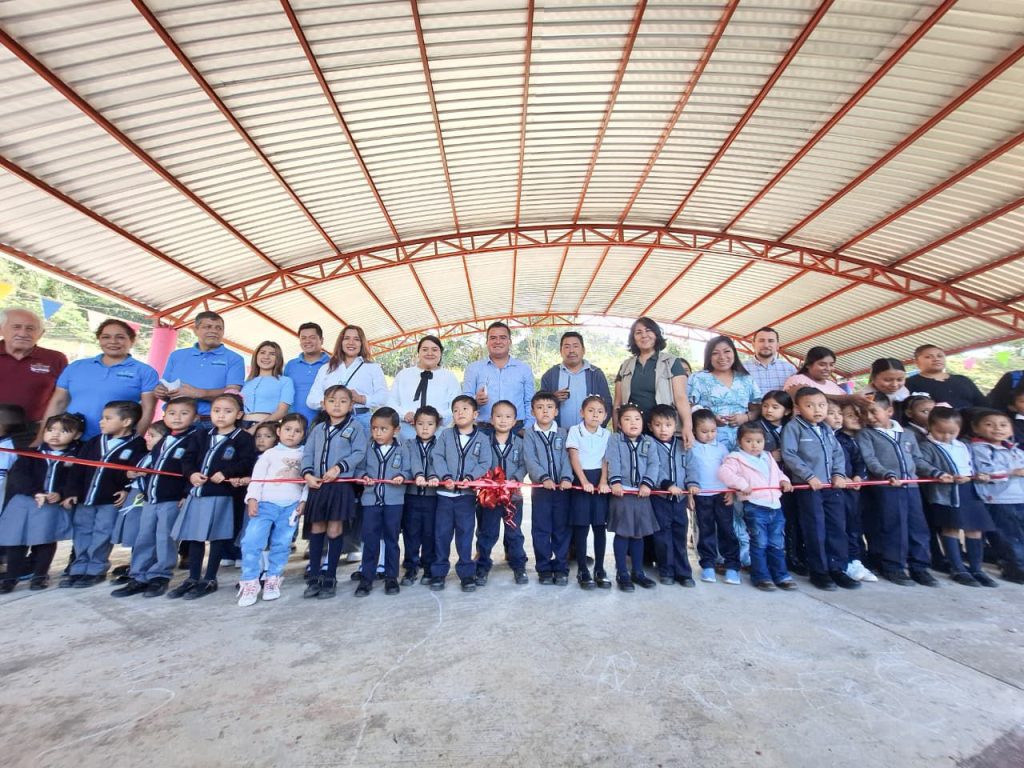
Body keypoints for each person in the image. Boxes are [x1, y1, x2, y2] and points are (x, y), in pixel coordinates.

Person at [169, 394, 256, 600]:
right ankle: (192, 577)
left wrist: (226, 473)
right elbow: (187, 458)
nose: (221, 415)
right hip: (197, 493)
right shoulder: (201, 435)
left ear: (239, 414)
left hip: (221, 495)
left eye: (228, 411)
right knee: (195, 537)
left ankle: (209, 578)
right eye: (217, 410)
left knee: (216, 538)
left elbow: (247, 461)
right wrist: (191, 474)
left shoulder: (242, 438)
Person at [110, 398, 199, 598]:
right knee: (144, 537)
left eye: (184, 413)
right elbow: (154, 465)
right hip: (151, 499)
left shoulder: (195, 439)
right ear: (164, 416)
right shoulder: (163, 440)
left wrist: (186, 494)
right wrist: (139, 473)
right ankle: (139, 576)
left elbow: (192, 469)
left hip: (172, 499)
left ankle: (159, 576)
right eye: (172, 413)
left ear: (194, 417)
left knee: (165, 538)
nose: (177, 418)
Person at [857, 393, 947, 587]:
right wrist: (886, 474)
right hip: (887, 487)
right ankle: (893, 566)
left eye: (874, 412)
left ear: (889, 411)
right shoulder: (866, 434)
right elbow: (870, 459)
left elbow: (918, 459)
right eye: (864, 413)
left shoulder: (907, 434)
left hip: (911, 486)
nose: (869, 417)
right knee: (893, 526)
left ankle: (919, 567)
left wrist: (936, 472)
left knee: (918, 527)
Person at [61, 401, 147, 587]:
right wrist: (71, 492)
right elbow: (78, 469)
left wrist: (125, 489)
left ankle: (96, 569)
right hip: (85, 498)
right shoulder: (93, 442)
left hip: (109, 501)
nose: (101, 422)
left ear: (126, 422)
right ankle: (78, 568)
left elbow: (135, 472)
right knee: (82, 531)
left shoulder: (138, 445)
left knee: (103, 533)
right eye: (102, 418)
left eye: (108, 418)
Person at [781, 388, 858, 592]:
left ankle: (838, 569)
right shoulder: (793, 428)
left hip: (832, 488)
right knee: (815, 529)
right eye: (810, 405)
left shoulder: (826, 429)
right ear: (797, 408)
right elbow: (789, 455)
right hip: (809, 488)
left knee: (837, 527)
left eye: (822, 405)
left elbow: (837, 454)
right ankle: (819, 571)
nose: (817, 410)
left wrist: (838, 474)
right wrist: (809, 476)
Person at [0, 412, 84, 592]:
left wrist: (61, 494)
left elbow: (75, 480)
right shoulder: (30, 454)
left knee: (45, 541)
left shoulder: (76, 459)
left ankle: (39, 576)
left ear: (76, 435)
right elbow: (18, 476)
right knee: (16, 542)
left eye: (64, 431)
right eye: (50, 429)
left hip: (49, 506)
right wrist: (35, 492)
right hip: (23, 503)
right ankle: (10, 578)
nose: (55, 434)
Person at [918, 407, 998, 588]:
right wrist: (938, 473)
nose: (946, 436)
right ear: (930, 426)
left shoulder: (963, 445)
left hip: (969, 490)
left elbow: (972, 465)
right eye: (940, 431)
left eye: (952, 432)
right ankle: (958, 568)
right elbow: (920, 463)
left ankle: (977, 568)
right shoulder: (927, 446)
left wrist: (981, 474)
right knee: (951, 528)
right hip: (947, 493)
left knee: (975, 529)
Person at [300, 385, 367, 599]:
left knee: (334, 529)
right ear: (323, 404)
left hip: (340, 485)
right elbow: (308, 453)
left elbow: (359, 452)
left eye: (342, 401)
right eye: (331, 400)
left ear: (351, 404)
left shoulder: (355, 427)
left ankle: (330, 576)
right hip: (318, 485)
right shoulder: (318, 428)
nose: (336, 405)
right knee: (317, 528)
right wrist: (308, 474)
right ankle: (315, 575)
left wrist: (339, 468)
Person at [42, 319, 157, 442]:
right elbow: (58, 403)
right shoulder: (76, 366)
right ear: (99, 340)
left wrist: (134, 441)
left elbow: (148, 410)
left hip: (113, 442)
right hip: (68, 439)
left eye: (120, 337)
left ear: (132, 341)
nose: (113, 341)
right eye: (106, 337)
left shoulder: (145, 371)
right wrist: (41, 437)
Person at [237, 414, 308, 607]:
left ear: (303, 435)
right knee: (252, 540)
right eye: (287, 429)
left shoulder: (305, 454)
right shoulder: (269, 454)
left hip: (290, 507)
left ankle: (272, 578)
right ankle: (250, 581)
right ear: (279, 431)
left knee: (282, 544)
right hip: (266, 504)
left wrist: (303, 501)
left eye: (297, 431)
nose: (291, 434)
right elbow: (257, 479)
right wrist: (252, 499)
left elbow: (308, 481)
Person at [718, 423, 796, 592]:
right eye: (749, 441)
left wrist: (785, 481)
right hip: (754, 505)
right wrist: (741, 484)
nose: (754, 445)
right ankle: (761, 576)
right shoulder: (736, 458)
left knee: (777, 542)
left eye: (759, 441)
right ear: (739, 442)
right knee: (759, 542)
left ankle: (781, 575)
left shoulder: (768, 457)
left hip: (775, 505)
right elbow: (724, 472)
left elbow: (778, 474)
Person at [430, 395, 491, 592]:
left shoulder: (482, 438)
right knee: (442, 535)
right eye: (455, 410)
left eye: (465, 409)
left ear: (475, 414)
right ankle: (439, 572)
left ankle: (466, 573)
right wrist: (445, 476)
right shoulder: (446, 436)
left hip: (466, 497)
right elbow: (437, 456)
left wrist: (470, 477)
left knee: (465, 536)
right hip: (444, 497)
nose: (460, 413)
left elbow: (485, 462)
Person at [604, 403, 661, 592]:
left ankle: (638, 572)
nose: (633, 423)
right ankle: (622, 573)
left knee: (639, 534)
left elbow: (654, 464)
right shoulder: (615, 440)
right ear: (619, 424)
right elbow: (613, 460)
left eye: (637, 419)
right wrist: (616, 482)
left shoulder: (648, 442)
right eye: (627, 419)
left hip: (642, 494)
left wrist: (647, 483)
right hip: (623, 494)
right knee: (623, 533)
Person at [156, 312, 245, 425]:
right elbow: (165, 387)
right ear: (195, 330)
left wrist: (200, 393)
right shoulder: (176, 356)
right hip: (174, 419)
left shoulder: (235, 359)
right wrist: (161, 392)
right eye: (207, 327)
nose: (214, 331)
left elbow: (234, 393)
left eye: (219, 328)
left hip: (211, 421)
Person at [613, 317, 692, 445]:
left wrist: (687, 427)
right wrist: (617, 430)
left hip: (663, 431)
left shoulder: (671, 362)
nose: (644, 335)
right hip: (633, 432)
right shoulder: (625, 366)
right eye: (638, 332)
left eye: (648, 330)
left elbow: (681, 397)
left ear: (656, 334)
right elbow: (618, 402)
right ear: (633, 338)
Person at [355, 407, 407, 598]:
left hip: (394, 502)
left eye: (383, 429)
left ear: (396, 430)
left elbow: (409, 469)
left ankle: (391, 577)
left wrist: (402, 475)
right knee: (370, 539)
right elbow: (358, 469)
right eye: (374, 428)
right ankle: (366, 578)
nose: (378, 433)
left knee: (392, 539)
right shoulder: (367, 448)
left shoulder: (404, 449)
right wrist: (364, 476)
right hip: (370, 501)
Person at [523, 391, 574, 586]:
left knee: (561, 529)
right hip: (541, 490)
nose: (545, 411)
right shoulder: (529, 434)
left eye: (549, 407)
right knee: (541, 529)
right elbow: (530, 459)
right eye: (540, 407)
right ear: (532, 411)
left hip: (562, 489)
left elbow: (567, 458)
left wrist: (566, 478)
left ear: (556, 411)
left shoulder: (562, 433)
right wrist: (543, 477)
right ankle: (543, 568)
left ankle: (561, 567)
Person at [968, 409, 1024, 584]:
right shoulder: (979, 449)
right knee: (1008, 536)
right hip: (998, 498)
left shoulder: (1015, 449)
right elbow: (983, 472)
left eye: (1003, 425)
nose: (997, 429)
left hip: (1019, 496)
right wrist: (1012, 472)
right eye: (989, 424)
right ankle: (1015, 568)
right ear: (975, 428)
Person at [109, 421, 169, 578]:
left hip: (147, 498)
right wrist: (128, 477)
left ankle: (150, 566)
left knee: (148, 534)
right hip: (134, 496)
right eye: (147, 435)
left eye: (153, 436)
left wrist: (147, 474)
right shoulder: (143, 455)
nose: (147, 439)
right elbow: (127, 473)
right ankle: (136, 565)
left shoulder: (163, 458)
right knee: (137, 533)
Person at [479, 400, 530, 586]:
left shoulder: (520, 443)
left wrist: (515, 478)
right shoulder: (483, 441)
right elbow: (481, 463)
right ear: (491, 420)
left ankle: (519, 565)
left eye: (508, 417)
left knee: (514, 533)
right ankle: (482, 565)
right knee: (487, 532)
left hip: (513, 497)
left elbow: (525, 464)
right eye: (498, 416)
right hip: (490, 496)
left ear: (515, 421)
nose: (503, 420)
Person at [648, 404, 698, 588]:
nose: (663, 429)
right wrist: (667, 484)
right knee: (662, 536)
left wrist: (692, 484)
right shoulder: (649, 444)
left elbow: (691, 467)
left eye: (668, 425)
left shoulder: (682, 445)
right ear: (650, 426)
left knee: (680, 534)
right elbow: (652, 468)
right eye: (658, 425)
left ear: (675, 425)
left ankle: (684, 572)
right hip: (660, 498)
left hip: (680, 500)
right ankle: (666, 570)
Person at [566, 395, 612, 589]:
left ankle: (600, 569)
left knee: (599, 527)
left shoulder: (606, 434)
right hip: (581, 481)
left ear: (605, 416)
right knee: (582, 527)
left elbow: (605, 460)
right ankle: (583, 570)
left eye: (600, 412)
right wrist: (583, 481)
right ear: (582, 413)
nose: (595, 415)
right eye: (591, 410)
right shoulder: (575, 431)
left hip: (599, 482)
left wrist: (603, 481)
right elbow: (574, 457)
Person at [689, 409, 739, 585]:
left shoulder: (722, 448)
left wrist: (731, 491)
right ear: (694, 430)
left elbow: (730, 472)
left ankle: (732, 566)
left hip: (722, 495)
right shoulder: (690, 447)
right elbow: (689, 473)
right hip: (702, 496)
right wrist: (690, 495)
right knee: (705, 530)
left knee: (727, 530)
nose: (710, 435)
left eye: (713, 430)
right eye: (704, 431)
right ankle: (708, 565)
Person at [306, 325, 388, 430]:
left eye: (356, 339)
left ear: (362, 343)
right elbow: (311, 399)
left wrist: (361, 399)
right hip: (330, 421)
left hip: (361, 420)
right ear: (341, 342)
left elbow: (383, 396)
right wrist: (332, 402)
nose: (351, 342)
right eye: (346, 338)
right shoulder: (326, 368)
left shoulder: (373, 368)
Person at [687, 335, 761, 451]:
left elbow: (759, 408)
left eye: (727, 351)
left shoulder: (746, 379)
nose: (722, 357)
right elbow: (687, 407)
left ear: (734, 354)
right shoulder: (698, 378)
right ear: (709, 356)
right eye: (715, 353)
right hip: (709, 442)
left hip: (744, 441)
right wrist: (709, 417)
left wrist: (746, 417)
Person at [0, 308, 68, 431]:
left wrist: (44, 432)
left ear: (41, 333)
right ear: (1, 329)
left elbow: (63, 399)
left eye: (30, 329)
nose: (23, 333)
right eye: (16, 327)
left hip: (33, 431)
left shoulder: (55, 359)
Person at [462, 321, 536, 432]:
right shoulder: (473, 369)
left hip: (517, 429)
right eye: (493, 338)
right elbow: (464, 401)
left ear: (509, 342)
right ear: (487, 342)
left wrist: (527, 428)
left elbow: (529, 401)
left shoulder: (524, 369)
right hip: (484, 429)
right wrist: (475, 400)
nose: (497, 342)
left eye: (502, 337)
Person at [388, 335, 461, 441]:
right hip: (407, 434)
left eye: (434, 350)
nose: (430, 353)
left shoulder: (449, 377)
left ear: (440, 353)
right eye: (425, 349)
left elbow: (456, 405)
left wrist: (439, 417)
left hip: (439, 434)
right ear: (418, 353)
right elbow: (390, 401)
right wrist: (404, 415)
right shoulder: (404, 374)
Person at [834, 403, 876, 583]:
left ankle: (857, 560)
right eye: (850, 414)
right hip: (840, 487)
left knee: (855, 526)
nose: (856, 418)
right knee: (843, 526)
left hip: (856, 488)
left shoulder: (861, 438)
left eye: (859, 415)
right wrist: (843, 477)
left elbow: (860, 462)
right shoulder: (837, 438)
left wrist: (859, 476)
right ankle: (847, 562)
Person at [401, 405, 441, 586]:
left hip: (433, 497)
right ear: (413, 425)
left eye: (430, 424)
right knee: (411, 533)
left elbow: (439, 463)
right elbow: (409, 464)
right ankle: (410, 567)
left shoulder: (441, 444)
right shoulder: (407, 444)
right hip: (412, 496)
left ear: (437, 426)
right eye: (420, 424)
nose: (425, 428)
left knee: (430, 533)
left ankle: (429, 567)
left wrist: (432, 476)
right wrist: (417, 475)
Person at [539, 332, 612, 429]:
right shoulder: (550, 375)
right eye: (567, 347)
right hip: (558, 435)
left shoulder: (596, 374)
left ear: (583, 350)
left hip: (589, 436)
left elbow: (607, 404)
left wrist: (595, 430)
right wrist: (553, 398)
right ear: (560, 351)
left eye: (576, 346)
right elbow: (539, 405)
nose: (571, 350)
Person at [904, 344, 987, 410]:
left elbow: (982, 404)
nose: (936, 359)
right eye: (928, 357)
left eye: (940, 356)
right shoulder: (909, 383)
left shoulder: (963, 380)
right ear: (916, 362)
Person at [783, 346, 867, 408]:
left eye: (831, 365)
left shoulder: (833, 385)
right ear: (808, 365)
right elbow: (807, 396)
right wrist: (849, 398)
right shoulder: (797, 380)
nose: (828, 369)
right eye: (822, 364)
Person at [240, 341, 294, 431]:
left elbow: (282, 411)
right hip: (242, 426)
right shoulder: (247, 382)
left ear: (278, 359)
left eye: (272, 354)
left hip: (267, 428)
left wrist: (256, 428)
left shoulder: (285, 381)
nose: (266, 357)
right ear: (256, 356)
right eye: (262, 352)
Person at [284, 323, 330, 425]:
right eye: (303, 338)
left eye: (312, 337)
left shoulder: (333, 364)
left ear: (321, 340)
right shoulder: (291, 365)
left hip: (323, 424)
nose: (307, 341)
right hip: (294, 425)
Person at [745, 326, 797, 396]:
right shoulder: (741, 369)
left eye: (771, 341)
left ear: (777, 345)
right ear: (753, 344)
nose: (766, 345)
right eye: (761, 341)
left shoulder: (790, 370)